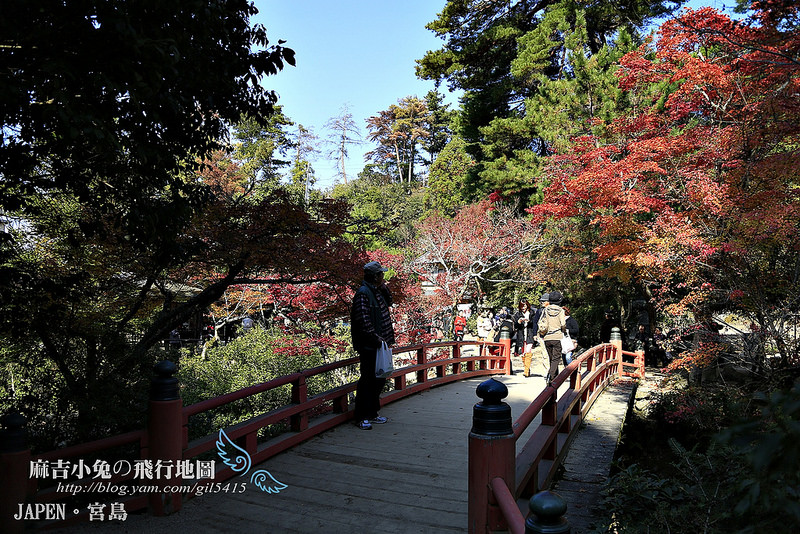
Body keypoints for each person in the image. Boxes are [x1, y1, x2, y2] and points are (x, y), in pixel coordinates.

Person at [351, 260, 396, 430]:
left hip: (380, 344)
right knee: (368, 380)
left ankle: (372, 413)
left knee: (379, 379)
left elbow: (390, 301)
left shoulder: (376, 291)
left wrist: (385, 288)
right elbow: (363, 321)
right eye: (381, 274)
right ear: (375, 276)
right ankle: (361, 416)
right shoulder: (364, 293)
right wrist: (377, 339)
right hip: (370, 345)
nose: (383, 276)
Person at [538, 290, 567, 384]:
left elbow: (541, 321)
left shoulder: (545, 310)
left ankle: (554, 377)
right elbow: (563, 324)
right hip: (557, 336)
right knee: (556, 358)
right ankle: (550, 376)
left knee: (551, 358)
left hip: (547, 337)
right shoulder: (561, 311)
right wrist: (564, 331)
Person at [513, 299, 543, 378]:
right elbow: (515, 326)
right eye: (521, 306)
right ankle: (527, 368)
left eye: (525, 305)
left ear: (528, 305)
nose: (523, 307)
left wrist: (529, 321)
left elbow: (535, 324)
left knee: (528, 351)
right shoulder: (517, 314)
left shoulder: (532, 313)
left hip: (529, 334)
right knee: (523, 353)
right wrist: (519, 322)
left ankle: (526, 371)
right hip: (521, 335)